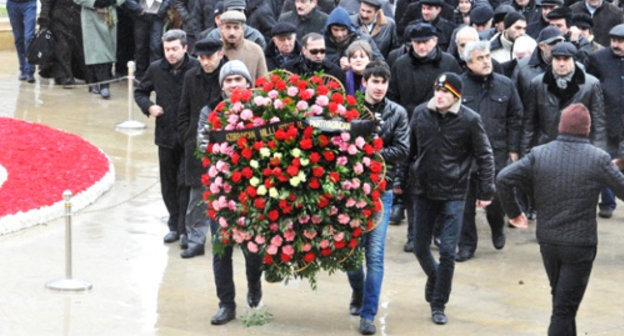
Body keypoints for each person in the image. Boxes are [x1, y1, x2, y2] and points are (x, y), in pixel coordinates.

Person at [496, 103, 624, 336]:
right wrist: (615, 169)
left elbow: (504, 178)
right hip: (580, 246)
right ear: (587, 129)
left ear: (561, 126)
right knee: (564, 310)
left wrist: (514, 212)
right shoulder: (598, 158)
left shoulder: (539, 154)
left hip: (548, 242)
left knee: (562, 302)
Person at [408, 72, 495, 325]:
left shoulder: (470, 120)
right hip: (423, 190)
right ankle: (436, 278)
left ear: (456, 95)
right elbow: (410, 151)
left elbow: (485, 155)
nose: (439, 95)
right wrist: (402, 184)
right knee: (420, 247)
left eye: (445, 91)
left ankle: (438, 303)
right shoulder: (421, 114)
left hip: (454, 193)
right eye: (437, 90)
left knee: (447, 251)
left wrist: (486, 190)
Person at [196, 60, 263, 325]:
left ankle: (254, 283)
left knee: (253, 249)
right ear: (222, 86)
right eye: (228, 81)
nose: (234, 85)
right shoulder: (210, 111)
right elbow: (202, 144)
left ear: (248, 83)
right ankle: (226, 303)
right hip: (221, 190)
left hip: (253, 191)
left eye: (238, 80)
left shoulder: (262, 109)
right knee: (221, 250)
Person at [346, 60, 410, 335]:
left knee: (374, 254)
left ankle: (368, 314)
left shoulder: (398, 112)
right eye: (374, 81)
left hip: (381, 189)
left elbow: (403, 148)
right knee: (349, 255)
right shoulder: (348, 109)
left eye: (383, 82)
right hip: (349, 190)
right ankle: (359, 292)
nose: (379, 87)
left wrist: (370, 156)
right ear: (365, 82)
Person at [388, 23, 461, 252]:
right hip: (410, 129)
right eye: (417, 42)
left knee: (440, 182)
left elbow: (458, 96)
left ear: (435, 41)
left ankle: (438, 232)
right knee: (412, 184)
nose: (421, 46)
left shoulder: (448, 63)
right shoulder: (400, 64)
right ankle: (414, 234)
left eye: (425, 41)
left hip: (441, 128)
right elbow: (394, 97)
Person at [456, 41, 523, 262]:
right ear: (468, 63)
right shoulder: (459, 86)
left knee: (494, 200)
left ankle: (497, 228)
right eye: (480, 58)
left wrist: (513, 148)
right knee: (465, 204)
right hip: (465, 155)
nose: (486, 62)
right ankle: (467, 245)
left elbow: (516, 116)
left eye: (487, 56)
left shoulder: (505, 84)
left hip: (496, 152)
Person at [134, 30, 198, 248]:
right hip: (165, 134)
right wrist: (149, 107)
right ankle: (173, 223)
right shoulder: (156, 69)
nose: (170, 54)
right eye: (167, 49)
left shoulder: (195, 68)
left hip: (189, 134)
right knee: (168, 182)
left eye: (175, 49)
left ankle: (183, 228)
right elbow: (140, 91)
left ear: (185, 48)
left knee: (185, 182)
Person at [177, 37, 228, 259]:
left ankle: (226, 236)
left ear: (220, 54)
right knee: (197, 193)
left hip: (225, 143)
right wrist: (187, 135)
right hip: (196, 143)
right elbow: (184, 109)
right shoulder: (191, 76)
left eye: (210, 57)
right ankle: (195, 238)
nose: (206, 62)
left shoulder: (228, 75)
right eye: (202, 58)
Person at [522, 42, 606, 155]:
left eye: (566, 59)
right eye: (557, 59)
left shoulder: (591, 84)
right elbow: (529, 123)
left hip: (579, 150)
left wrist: (599, 156)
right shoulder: (538, 83)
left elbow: (598, 125)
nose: (561, 64)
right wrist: (525, 154)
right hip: (546, 149)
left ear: (574, 60)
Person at [587, 24, 624, 219]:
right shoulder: (598, 59)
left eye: (620, 41)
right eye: (613, 41)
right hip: (606, 120)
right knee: (606, 162)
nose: (616, 45)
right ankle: (608, 202)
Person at [74, 0, 125, 99]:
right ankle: (99, 84)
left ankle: (102, 82)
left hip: (109, 16)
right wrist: (95, 3)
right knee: (95, 51)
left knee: (108, 52)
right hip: (91, 16)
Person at [37, 0, 87, 86]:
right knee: (62, 48)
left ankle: (72, 73)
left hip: (76, 18)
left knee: (76, 47)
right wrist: (44, 18)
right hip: (58, 19)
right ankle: (63, 75)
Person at [124, 0, 170, 79]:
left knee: (156, 47)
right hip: (140, 16)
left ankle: (155, 75)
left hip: (157, 16)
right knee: (140, 48)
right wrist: (138, 9)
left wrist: (163, 9)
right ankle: (140, 75)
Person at [218, 10, 268, 83]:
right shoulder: (214, 50)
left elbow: (264, 83)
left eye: (236, 28)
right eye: (228, 27)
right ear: (221, 29)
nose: (232, 32)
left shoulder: (255, 50)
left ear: (242, 29)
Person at [6, 0, 37, 83]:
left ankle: (30, 70)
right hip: (13, 4)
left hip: (29, 3)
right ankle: (23, 68)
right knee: (18, 38)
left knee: (29, 37)